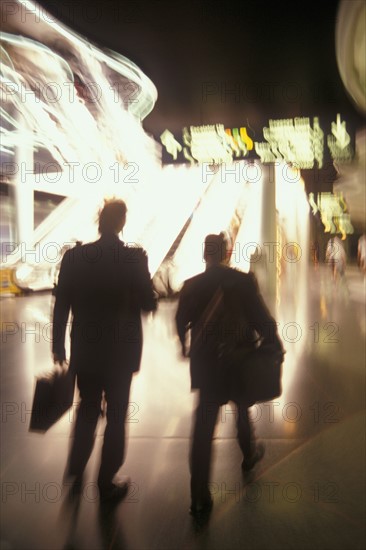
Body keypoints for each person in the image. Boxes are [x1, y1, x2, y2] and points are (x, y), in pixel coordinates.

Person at [52, 199, 157, 502]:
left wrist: (58, 345)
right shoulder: (134, 258)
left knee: (86, 407)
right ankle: (106, 480)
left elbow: (61, 305)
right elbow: (148, 302)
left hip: (85, 348)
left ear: (100, 221)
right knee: (116, 414)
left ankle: (75, 468)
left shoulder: (74, 257)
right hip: (121, 352)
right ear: (122, 222)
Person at [176, 233, 283, 518]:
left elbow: (180, 323)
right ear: (225, 253)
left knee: (203, 428)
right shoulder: (242, 281)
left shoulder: (191, 286)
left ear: (204, 255)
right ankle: (248, 456)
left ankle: (199, 495)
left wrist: (185, 346)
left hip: (206, 365)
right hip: (239, 360)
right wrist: (275, 345)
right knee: (242, 409)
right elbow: (262, 318)